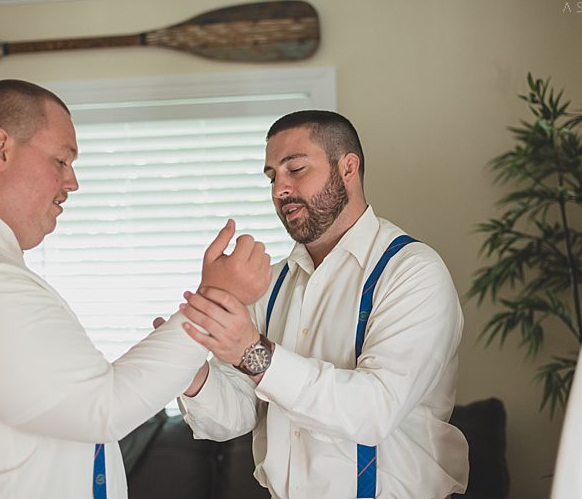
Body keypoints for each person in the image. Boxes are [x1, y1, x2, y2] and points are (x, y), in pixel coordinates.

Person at [0, 79, 272, 498]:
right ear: (1, 149)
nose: (73, 182)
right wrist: (218, 297)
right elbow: (103, 407)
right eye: (61, 161)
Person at [172, 110, 469, 498]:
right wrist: (190, 371)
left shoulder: (412, 272)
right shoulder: (272, 283)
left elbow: (373, 411)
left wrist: (252, 352)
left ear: (348, 167)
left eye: (295, 169)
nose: (280, 189)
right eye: (272, 176)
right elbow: (237, 414)